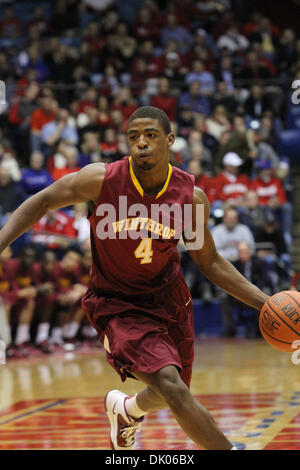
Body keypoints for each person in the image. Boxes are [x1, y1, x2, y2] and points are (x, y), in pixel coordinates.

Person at [0, 106, 269, 450]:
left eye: (151, 135)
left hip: (170, 300)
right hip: (118, 304)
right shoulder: (101, 179)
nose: (141, 143)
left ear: (170, 140)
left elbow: (211, 262)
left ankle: (126, 409)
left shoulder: (190, 198)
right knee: (172, 387)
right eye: (133, 136)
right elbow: (41, 202)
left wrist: (266, 303)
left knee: (171, 391)